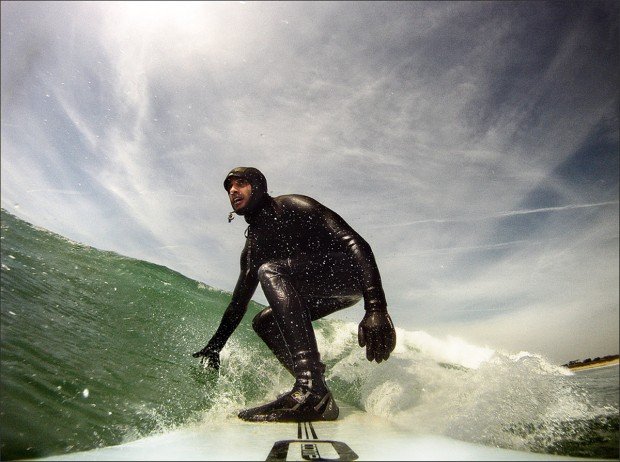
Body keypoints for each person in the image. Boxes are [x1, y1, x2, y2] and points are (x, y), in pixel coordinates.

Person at [193, 167, 396, 422]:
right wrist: (216, 346)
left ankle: (309, 388)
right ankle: (317, 390)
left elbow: (354, 242)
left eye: (241, 183)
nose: (233, 190)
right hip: (325, 289)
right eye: (228, 186)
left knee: (270, 271)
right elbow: (238, 304)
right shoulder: (253, 248)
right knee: (264, 322)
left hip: (349, 272)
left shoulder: (292, 206)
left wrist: (376, 308)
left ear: (259, 186)